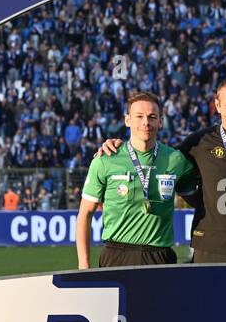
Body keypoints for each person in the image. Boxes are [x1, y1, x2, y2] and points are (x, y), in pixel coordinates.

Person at [99, 77, 226, 263]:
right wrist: (121, 147)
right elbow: (161, 158)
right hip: (209, 246)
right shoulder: (198, 142)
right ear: (217, 106)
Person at [78, 91, 196, 268]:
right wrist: (84, 265)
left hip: (160, 256)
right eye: (139, 116)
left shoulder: (176, 160)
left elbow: (198, 197)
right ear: (128, 120)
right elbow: (84, 214)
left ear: (160, 121)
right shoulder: (105, 159)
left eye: (152, 117)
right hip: (116, 255)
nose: (145, 122)